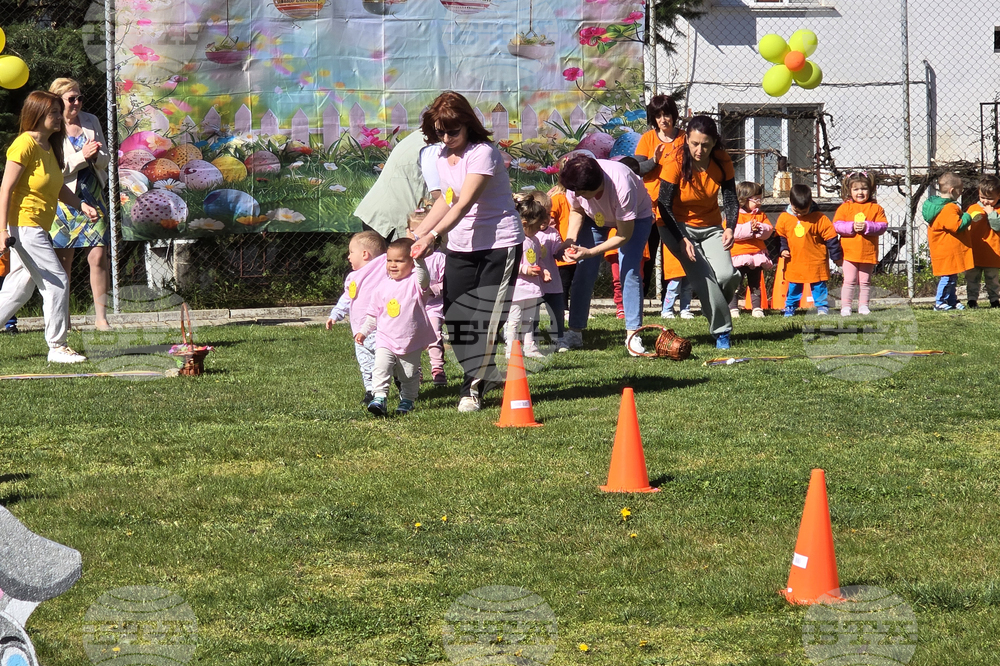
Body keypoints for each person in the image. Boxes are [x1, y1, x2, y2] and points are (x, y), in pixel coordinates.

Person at [410, 91, 523, 413]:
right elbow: (446, 200)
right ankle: (484, 373)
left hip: (499, 245)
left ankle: (470, 390)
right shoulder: (440, 156)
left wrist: (431, 235)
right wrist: (416, 236)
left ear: (468, 125)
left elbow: (465, 202)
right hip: (459, 247)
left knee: (485, 321)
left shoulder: (483, 153)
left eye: (453, 131)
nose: (447, 137)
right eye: (441, 132)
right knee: (458, 320)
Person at [0, 91, 100, 363]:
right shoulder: (24, 144)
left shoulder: (50, 146)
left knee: (20, 288)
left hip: (37, 227)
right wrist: (2, 232)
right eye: (53, 112)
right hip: (25, 226)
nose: (59, 117)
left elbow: (56, 188)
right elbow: (5, 189)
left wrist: (82, 205)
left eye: (59, 111)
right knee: (56, 281)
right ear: (37, 115)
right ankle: (57, 346)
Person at [656, 115, 740, 349]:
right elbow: (663, 205)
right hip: (674, 226)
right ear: (687, 141)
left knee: (727, 276)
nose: (699, 150)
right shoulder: (675, 162)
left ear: (714, 142)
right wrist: (682, 239)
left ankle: (710, 305)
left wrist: (730, 227)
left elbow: (731, 199)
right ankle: (722, 332)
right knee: (705, 278)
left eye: (705, 144)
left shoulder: (722, 162)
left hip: (711, 226)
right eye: (694, 143)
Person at [560, 155, 654, 355]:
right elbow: (577, 210)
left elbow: (623, 235)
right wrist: (570, 240)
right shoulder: (576, 182)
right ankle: (575, 332)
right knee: (584, 271)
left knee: (629, 269)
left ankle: (632, 334)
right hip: (595, 219)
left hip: (636, 218)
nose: (579, 195)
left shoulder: (622, 185)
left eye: (584, 193)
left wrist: (591, 252)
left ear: (598, 184)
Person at [48, 78, 112, 331]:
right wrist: (80, 157)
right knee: (64, 262)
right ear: (58, 101)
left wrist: (96, 156)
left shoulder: (91, 121)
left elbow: (106, 159)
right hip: (64, 199)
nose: (77, 103)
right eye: (71, 99)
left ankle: (101, 319)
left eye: (79, 98)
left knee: (98, 257)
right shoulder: (51, 126)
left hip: (94, 196)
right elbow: (53, 170)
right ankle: (64, 319)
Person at [355, 238, 434, 416]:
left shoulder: (415, 282)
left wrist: (419, 260)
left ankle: (407, 400)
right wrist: (364, 331)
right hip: (385, 337)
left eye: (399, 261)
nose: (393, 265)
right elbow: (373, 314)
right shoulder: (381, 286)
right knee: (381, 367)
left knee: (408, 374)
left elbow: (424, 279)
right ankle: (379, 397)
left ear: (411, 263)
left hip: (410, 338)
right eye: (389, 260)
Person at [326, 230, 388, 404]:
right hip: (359, 331)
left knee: (386, 361)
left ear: (365, 254)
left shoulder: (384, 266)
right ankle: (370, 391)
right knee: (365, 363)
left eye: (351, 252)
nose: (348, 257)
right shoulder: (353, 277)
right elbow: (347, 298)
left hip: (379, 329)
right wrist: (335, 314)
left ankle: (397, 385)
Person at [775, 184, 842, 316]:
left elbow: (831, 238)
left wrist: (836, 257)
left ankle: (822, 306)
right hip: (794, 260)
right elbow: (780, 235)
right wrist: (783, 249)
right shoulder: (784, 218)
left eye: (803, 212)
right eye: (796, 211)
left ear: (811, 203)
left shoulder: (819, 218)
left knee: (818, 285)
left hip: (815, 261)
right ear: (790, 202)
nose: (799, 214)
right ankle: (790, 306)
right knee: (794, 286)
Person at [831, 171, 888, 317]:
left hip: (868, 252)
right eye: (856, 189)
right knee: (849, 280)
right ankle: (846, 307)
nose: (860, 192)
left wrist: (868, 227)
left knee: (865, 281)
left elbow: (882, 226)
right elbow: (837, 225)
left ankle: (863, 306)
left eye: (864, 188)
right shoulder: (845, 207)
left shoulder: (876, 208)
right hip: (849, 252)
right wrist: (851, 227)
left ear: (870, 190)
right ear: (850, 191)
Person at [407, 206, 448, 385]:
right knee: (411, 338)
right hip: (413, 307)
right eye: (414, 234)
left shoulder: (439, 258)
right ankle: (416, 371)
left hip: (433, 306)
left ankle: (437, 369)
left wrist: (433, 289)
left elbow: (446, 283)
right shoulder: (406, 258)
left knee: (435, 336)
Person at [922, 172, 973, 311]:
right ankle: (940, 301)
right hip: (947, 250)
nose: (961, 193)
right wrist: (968, 216)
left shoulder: (938, 207)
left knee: (952, 277)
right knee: (948, 278)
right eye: (960, 190)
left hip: (944, 249)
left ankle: (951, 300)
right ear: (952, 190)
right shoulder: (949, 208)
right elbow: (957, 226)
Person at [728, 181, 773, 318]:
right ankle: (733, 308)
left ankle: (757, 308)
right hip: (739, 255)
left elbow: (769, 230)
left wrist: (760, 228)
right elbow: (732, 232)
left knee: (755, 283)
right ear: (744, 199)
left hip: (756, 255)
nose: (759, 202)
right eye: (756, 199)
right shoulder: (734, 214)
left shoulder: (760, 215)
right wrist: (749, 228)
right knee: (736, 283)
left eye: (760, 199)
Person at [534, 194, 569, 352]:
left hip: (552, 282)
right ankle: (532, 339)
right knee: (531, 314)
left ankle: (559, 338)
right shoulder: (527, 234)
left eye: (549, 214)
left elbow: (556, 250)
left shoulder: (553, 232)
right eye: (542, 215)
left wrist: (563, 252)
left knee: (557, 311)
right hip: (534, 283)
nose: (546, 219)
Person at [964, 174, 1000, 309]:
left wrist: (991, 213)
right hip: (975, 251)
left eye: (990, 199)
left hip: (993, 253)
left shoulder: (997, 211)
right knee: (972, 278)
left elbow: (997, 226)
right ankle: (972, 300)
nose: (985, 202)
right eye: (982, 197)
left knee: (992, 279)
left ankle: (994, 300)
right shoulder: (973, 208)